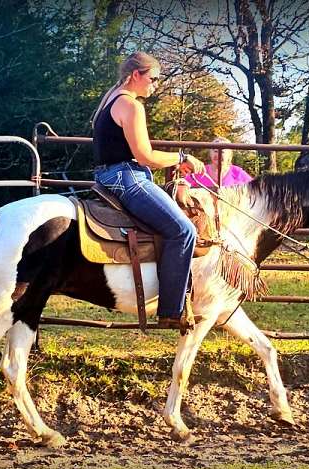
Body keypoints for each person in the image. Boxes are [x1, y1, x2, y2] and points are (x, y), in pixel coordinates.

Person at [92, 51, 206, 332]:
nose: (155, 84)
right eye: (153, 78)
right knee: (183, 231)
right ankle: (172, 310)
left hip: (107, 175)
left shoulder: (109, 98)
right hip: (127, 177)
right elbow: (144, 156)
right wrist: (182, 158)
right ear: (135, 76)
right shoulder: (130, 105)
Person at [184, 137, 253, 188]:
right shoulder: (199, 171)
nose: (217, 155)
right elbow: (183, 185)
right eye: (215, 151)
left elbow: (253, 190)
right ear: (210, 154)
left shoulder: (237, 173)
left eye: (222, 152)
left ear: (229, 155)